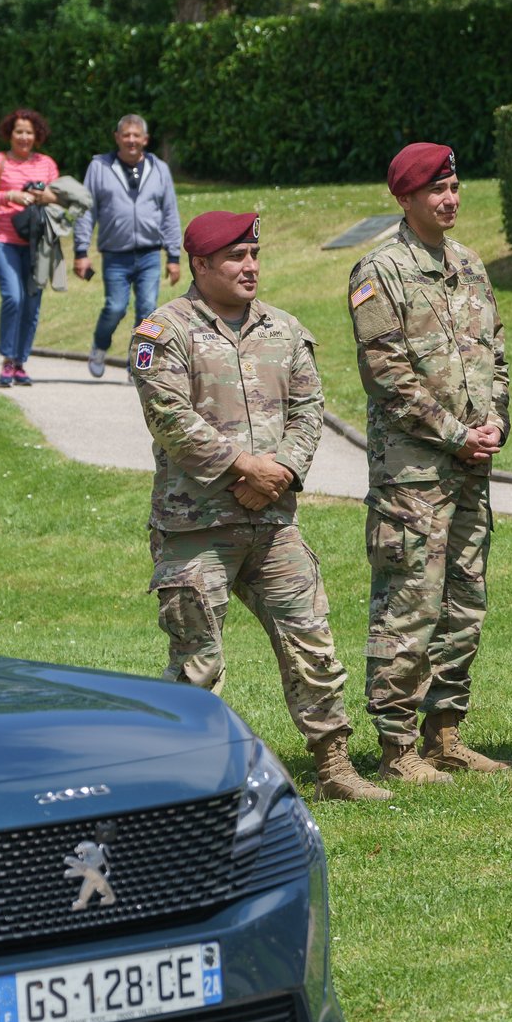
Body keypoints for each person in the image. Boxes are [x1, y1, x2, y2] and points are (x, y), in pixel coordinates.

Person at [130, 211, 387, 801]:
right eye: (235, 257)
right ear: (200, 265)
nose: (250, 267)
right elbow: (170, 417)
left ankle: (335, 767)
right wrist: (245, 468)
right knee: (198, 657)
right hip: (196, 525)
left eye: (254, 254)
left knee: (312, 642)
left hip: (273, 520)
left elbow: (309, 409)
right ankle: (196, 779)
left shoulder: (286, 330)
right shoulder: (162, 333)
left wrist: (284, 472)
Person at [349, 143, 512, 784]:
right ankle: (396, 747)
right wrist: (455, 433)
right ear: (405, 199)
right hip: (414, 471)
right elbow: (386, 373)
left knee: (465, 602)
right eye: (435, 190)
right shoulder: (379, 270)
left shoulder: (469, 265)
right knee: (410, 602)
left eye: (454, 186)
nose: (449, 199)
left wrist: (495, 418)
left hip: (472, 462)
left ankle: (445, 734)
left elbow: (495, 352)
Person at [74, 114, 183, 378]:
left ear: (145, 139)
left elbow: (170, 212)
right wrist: (81, 251)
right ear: (117, 138)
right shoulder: (100, 167)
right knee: (115, 307)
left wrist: (174, 255)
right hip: (115, 254)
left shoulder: (159, 169)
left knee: (147, 311)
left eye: (137, 135)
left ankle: (136, 365)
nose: (131, 140)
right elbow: (86, 210)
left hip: (149, 253)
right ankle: (100, 346)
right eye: (126, 135)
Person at [0, 107, 61, 388]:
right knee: (13, 297)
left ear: (37, 136)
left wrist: (43, 195)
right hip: (3, 239)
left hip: (38, 242)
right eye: (19, 131)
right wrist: (10, 195)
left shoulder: (46, 164)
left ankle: (21, 362)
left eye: (29, 132)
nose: (24, 137)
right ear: (10, 134)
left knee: (32, 303)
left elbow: (59, 197)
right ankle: (7, 360)